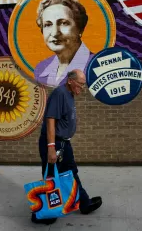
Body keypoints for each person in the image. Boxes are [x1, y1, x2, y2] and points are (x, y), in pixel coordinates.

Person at [31, 69, 102, 225]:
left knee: (71, 172)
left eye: (84, 85)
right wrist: (50, 147)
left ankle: (84, 203)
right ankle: (44, 213)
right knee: (51, 176)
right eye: (81, 84)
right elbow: (50, 120)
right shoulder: (60, 93)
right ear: (70, 81)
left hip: (63, 143)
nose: (83, 88)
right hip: (54, 142)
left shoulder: (69, 94)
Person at [34, 0, 94, 87]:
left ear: (80, 28)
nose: (54, 33)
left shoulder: (97, 67)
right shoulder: (41, 69)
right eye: (48, 25)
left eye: (63, 23)